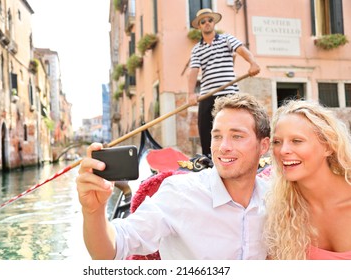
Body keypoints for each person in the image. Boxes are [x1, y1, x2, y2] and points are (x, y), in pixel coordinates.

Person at [76, 93, 271, 260]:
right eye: (217, 136)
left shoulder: (274, 200)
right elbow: (111, 250)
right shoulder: (181, 193)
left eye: (237, 136)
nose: (223, 147)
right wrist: (93, 212)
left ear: (263, 146)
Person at [264, 99, 351, 260]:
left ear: (327, 146)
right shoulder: (282, 212)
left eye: (296, 141)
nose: (283, 151)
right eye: (277, 142)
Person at [187, 8, 261, 158]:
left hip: (229, 94)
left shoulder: (227, 39)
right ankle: (209, 161)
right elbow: (193, 72)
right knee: (206, 130)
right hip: (207, 95)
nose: (207, 23)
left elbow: (242, 50)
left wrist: (252, 63)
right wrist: (190, 94)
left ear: (214, 23)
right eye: (203, 21)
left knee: (233, 127)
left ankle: (239, 155)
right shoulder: (196, 49)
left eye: (210, 20)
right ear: (199, 26)